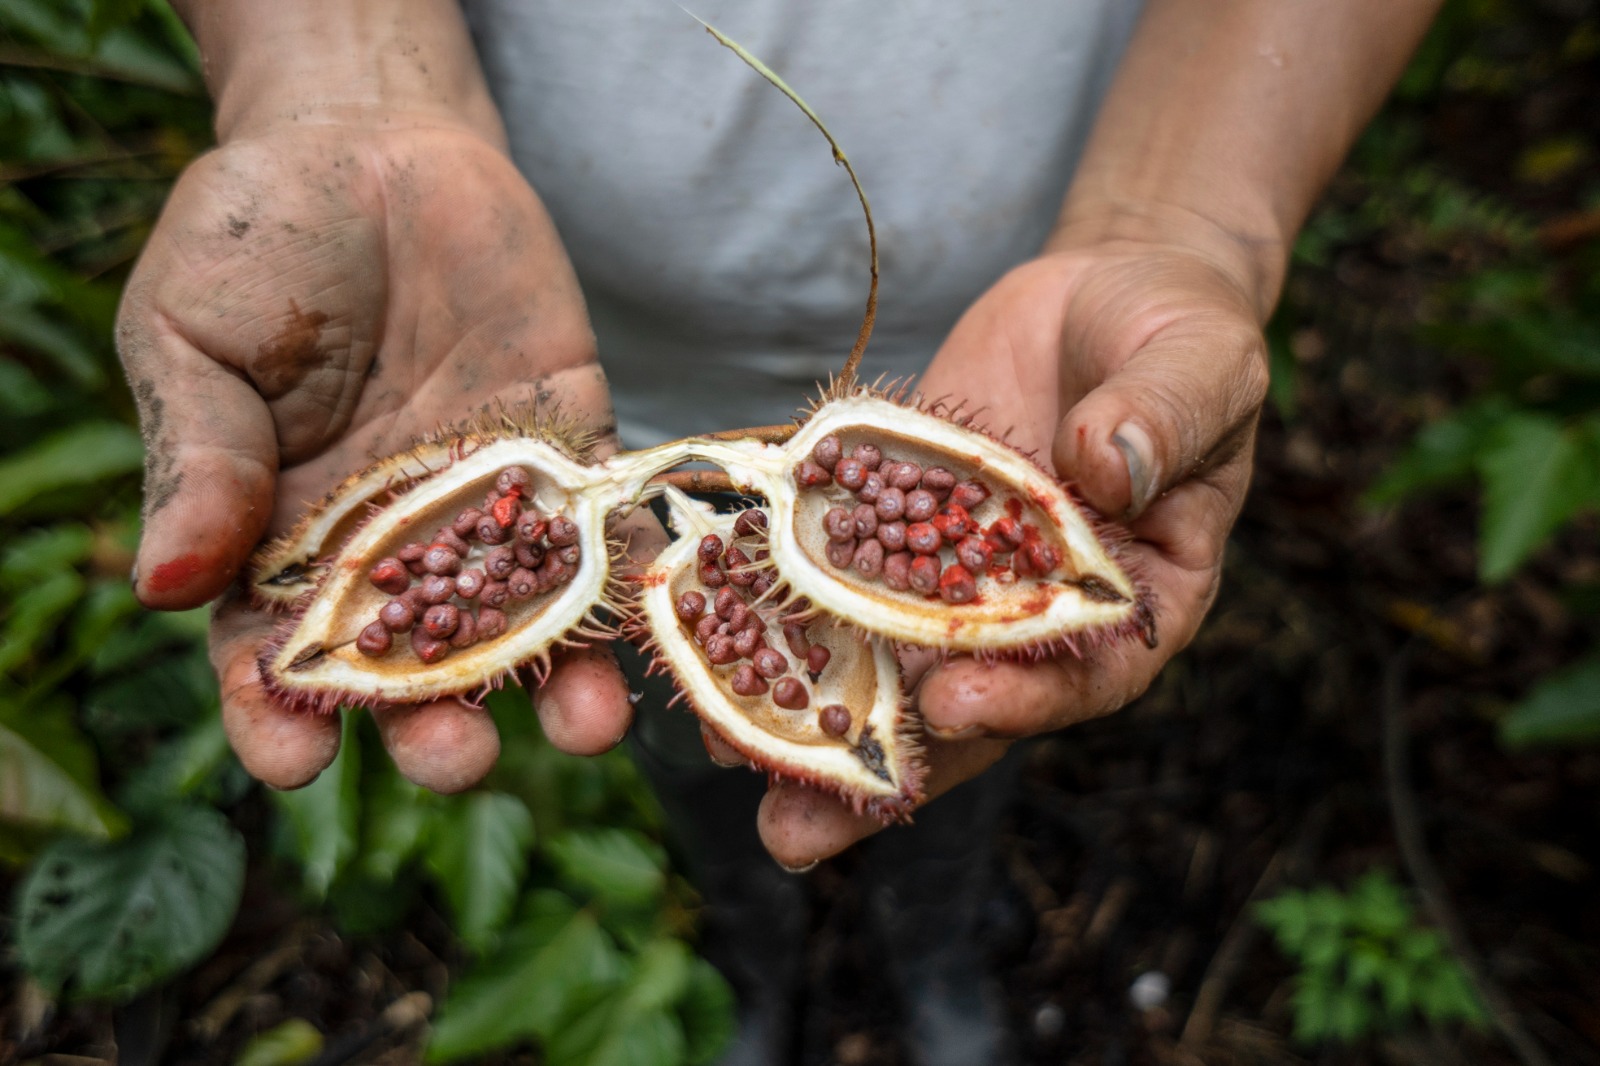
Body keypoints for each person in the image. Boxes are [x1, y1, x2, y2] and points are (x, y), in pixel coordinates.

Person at [116, 2, 1442, 1062]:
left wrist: (1181, 220)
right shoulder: (564, 487)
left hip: (1013, 357)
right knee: (690, 754)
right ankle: (754, 960)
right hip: (519, 345)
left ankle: (932, 953)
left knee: (963, 730)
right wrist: (339, 86)